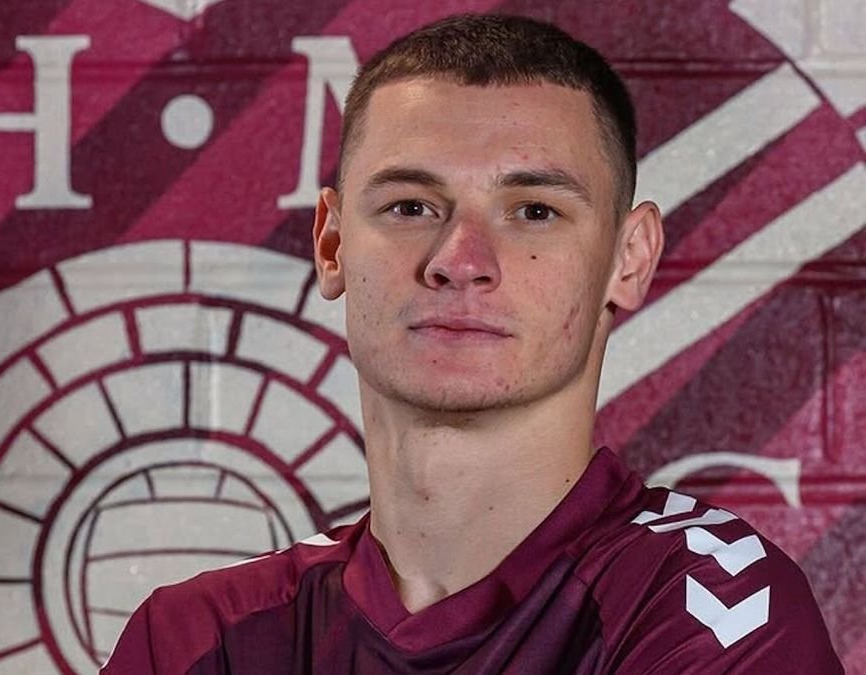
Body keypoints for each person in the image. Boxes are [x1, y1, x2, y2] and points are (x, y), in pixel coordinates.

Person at [102, 13, 843, 674]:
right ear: (331, 245)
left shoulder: (706, 606)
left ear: (629, 257)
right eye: (410, 206)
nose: (460, 260)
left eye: (534, 210)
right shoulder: (197, 636)